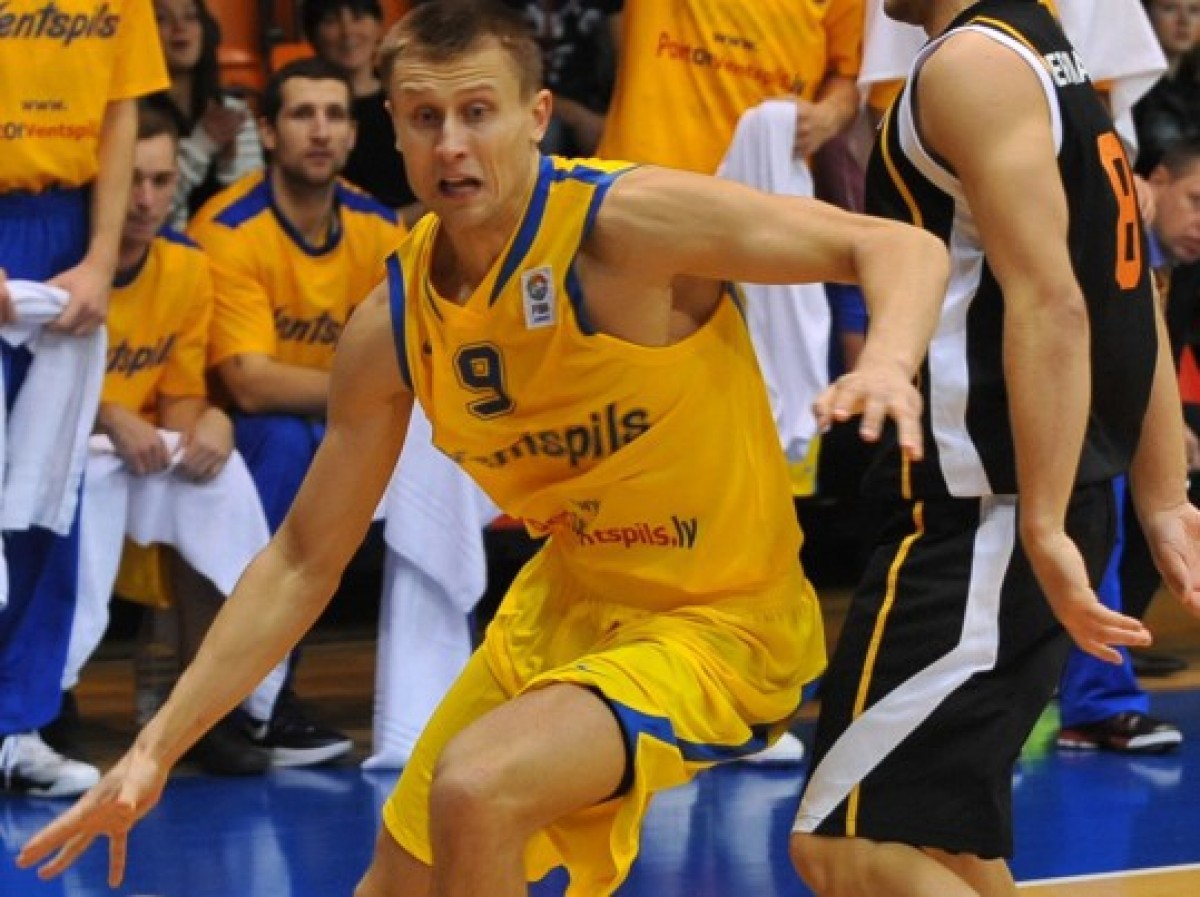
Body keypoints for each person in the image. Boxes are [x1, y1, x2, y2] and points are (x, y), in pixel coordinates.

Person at [16, 1, 950, 893]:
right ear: (393, 126)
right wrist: (153, 750)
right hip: (563, 610)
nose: (451, 145)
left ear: (536, 116)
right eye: (425, 118)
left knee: (478, 783)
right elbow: (302, 559)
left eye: (477, 113)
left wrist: (886, 363)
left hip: (718, 617)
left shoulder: (623, 225)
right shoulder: (393, 321)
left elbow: (900, 249)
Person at [789, 3, 1200, 897]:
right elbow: (1131, 283)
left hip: (989, 515)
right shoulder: (1046, 51)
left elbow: (1055, 301)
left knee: (846, 843)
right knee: (942, 845)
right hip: (1012, 510)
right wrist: (1162, 492)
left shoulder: (971, 66)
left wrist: (1044, 521)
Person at [186, 56, 405, 768]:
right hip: (228, 433)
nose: (321, 130)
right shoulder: (230, 227)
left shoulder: (377, 226)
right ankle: (249, 699)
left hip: (338, 422)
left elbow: (413, 355)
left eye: (335, 115)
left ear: (353, 134)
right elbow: (250, 384)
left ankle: (430, 695)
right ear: (270, 132)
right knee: (288, 437)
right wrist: (364, 388)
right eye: (302, 114)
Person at [62, 100, 276, 775]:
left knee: (216, 478)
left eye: (160, 181)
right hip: (58, 450)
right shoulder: (64, 263)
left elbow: (182, 394)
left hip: (138, 450)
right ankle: (48, 704)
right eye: (131, 181)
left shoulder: (185, 265)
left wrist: (212, 420)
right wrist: (104, 415)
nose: (146, 200)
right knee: (76, 483)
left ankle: (205, 709)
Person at [0, 0, 168, 798]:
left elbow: (120, 111)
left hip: (66, 225)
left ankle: (15, 721)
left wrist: (102, 256)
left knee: (48, 486)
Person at [303, 0, 422, 224]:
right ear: (313, 35)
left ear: (379, 27)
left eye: (358, 18)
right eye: (331, 21)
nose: (348, 32)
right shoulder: (305, 110)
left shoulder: (411, 95)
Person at [154, 0, 264, 228]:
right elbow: (143, 208)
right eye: (162, 19)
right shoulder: (132, 117)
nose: (179, 27)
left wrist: (228, 165)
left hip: (226, 245)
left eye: (191, 17)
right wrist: (202, 145)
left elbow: (253, 211)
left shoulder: (233, 112)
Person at [502, 0, 622, 156]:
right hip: (531, 105)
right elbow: (502, 77)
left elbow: (627, 62)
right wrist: (578, 117)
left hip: (596, 105)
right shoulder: (504, 6)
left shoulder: (609, 7)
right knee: (546, 131)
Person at [1133, 0, 1200, 175]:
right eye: (1169, 8)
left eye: (1194, 10)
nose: (1184, 21)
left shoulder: (1193, 88)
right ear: (1146, 14)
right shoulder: (1129, 88)